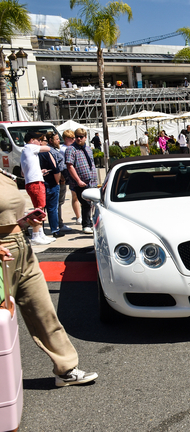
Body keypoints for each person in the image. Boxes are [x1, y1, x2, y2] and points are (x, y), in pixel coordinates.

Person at [0, 172, 99, 386]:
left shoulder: (3, 176)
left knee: (44, 311)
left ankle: (66, 369)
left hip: (21, 248)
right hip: (3, 254)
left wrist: (25, 222)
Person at [20, 132, 54, 245]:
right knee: (39, 210)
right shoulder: (30, 147)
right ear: (32, 140)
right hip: (35, 183)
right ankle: (36, 235)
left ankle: (40, 233)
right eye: (38, 140)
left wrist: (39, 172)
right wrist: (45, 142)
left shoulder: (25, 151)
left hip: (33, 181)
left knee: (40, 208)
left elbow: (23, 172)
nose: (40, 142)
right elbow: (48, 148)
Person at [65, 128, 98, 234]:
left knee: (92, 204)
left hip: (91, 181)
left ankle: (91, 223)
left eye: (81, 137)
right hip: (80, 182)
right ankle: (86, 225)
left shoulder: (88, 149)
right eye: (77, 136)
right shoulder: (71, 149)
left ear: (85, 138)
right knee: (85, 203)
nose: (79, 139)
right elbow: (70, 166)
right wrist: (78, 180)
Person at [41, 132, 65, 239]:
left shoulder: (29, 154)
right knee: (52, 208)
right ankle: (55, 230)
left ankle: (40, 231)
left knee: (40, 209)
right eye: (45, 141)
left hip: (39, 183)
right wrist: (57, 182)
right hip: (51, 183)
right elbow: (55, 168)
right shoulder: (47, 152)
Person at [61, 130, 82, 225]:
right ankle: (78, 217)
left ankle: (81, 216)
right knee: (75, 196)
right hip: (69, 173)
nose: (74, 139)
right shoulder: (64, 149)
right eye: (72, 138)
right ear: (66, 139)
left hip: (77, 172)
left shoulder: (73, 147)